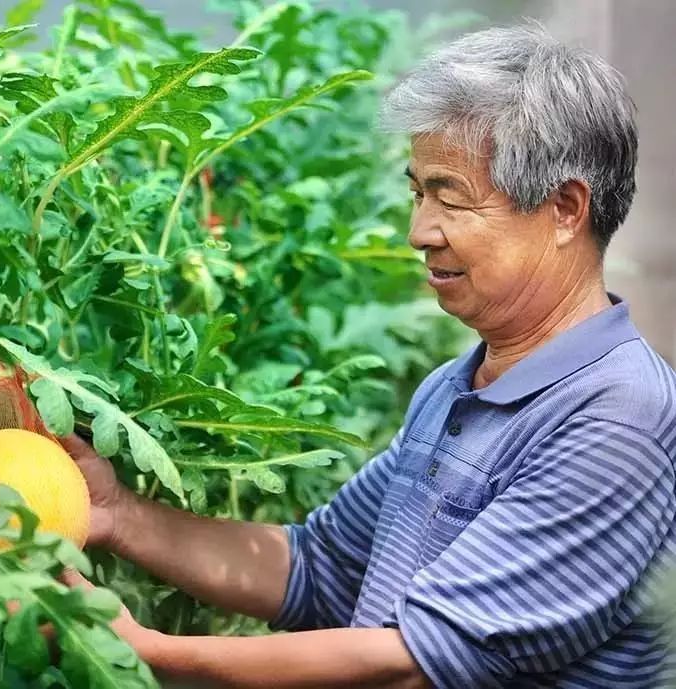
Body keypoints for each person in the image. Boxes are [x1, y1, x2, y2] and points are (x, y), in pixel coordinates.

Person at [61, 24, 676, 688]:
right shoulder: (456, 387)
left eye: (450, 197)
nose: (419, 231)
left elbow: (413, 665)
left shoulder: (617, 420)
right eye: (418, 193)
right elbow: (318, 567)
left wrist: (145, 651)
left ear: (564, 209)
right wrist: (120, 515)